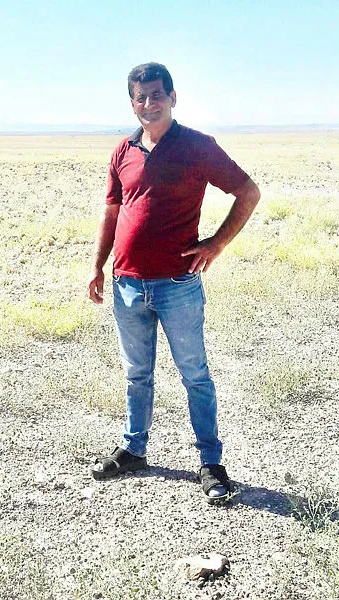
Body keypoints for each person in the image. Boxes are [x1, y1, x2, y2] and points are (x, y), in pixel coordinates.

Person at [87, 62, 260, 504]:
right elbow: (112, 212)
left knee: (194, 374)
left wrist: (217, 244)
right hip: (127, 283)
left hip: (177, 284)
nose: (149, 103)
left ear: (173, 97)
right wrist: (98, 265)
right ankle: (134, 449)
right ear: (132, 103)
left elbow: (248, 192)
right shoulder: (123, 150)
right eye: (141, 97)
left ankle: (211, 463)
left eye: (157, 94)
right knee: (136, 373)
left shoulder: (197, 146)